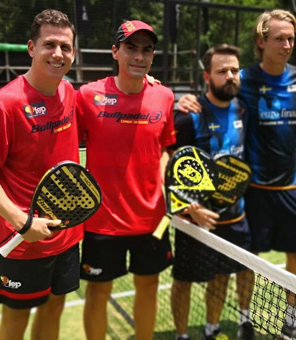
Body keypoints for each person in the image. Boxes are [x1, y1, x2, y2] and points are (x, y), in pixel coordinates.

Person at [178, 10, 296, 340]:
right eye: (279, 39)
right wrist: (186, 99)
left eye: (291, 38)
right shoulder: (242, 79)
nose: (287, 45)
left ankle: (293, 320)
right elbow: (216, 95)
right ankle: (237, 321)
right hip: (253, 189)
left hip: (292, 186)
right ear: (261, 42)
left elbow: (295, 121)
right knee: (245, 261)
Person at [0, 9, 81, 340]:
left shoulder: (69, 92)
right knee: (16, 323)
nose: (58, 54)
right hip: (22, 241)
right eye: (50, 45)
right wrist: (22, 221)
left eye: (66, 47)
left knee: (54, 310)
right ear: (32, 48)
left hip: (66, 236)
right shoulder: (5, 104)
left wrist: (144, 79)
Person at [76, 20, 175, 340]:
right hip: (102, 221)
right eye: (131, 48)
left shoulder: (165, 97)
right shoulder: (88, 96)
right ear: (115, 51)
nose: (139, 56)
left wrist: (161, 181)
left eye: (147, 50)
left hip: (152, 221)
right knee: (97, 295)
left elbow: (166, 149)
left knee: (147, 290)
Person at [169, 44, 255, 340]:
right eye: (222, 71)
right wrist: (187, 207)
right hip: (196, 220)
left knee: (234, 272)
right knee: (184, 281)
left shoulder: (245, 107)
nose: (230, 76)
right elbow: (169, 167)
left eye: (234, 70)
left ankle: (215, 327)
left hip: (236, 215)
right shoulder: (189, 117)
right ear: (207, 76)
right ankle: (182, 336)